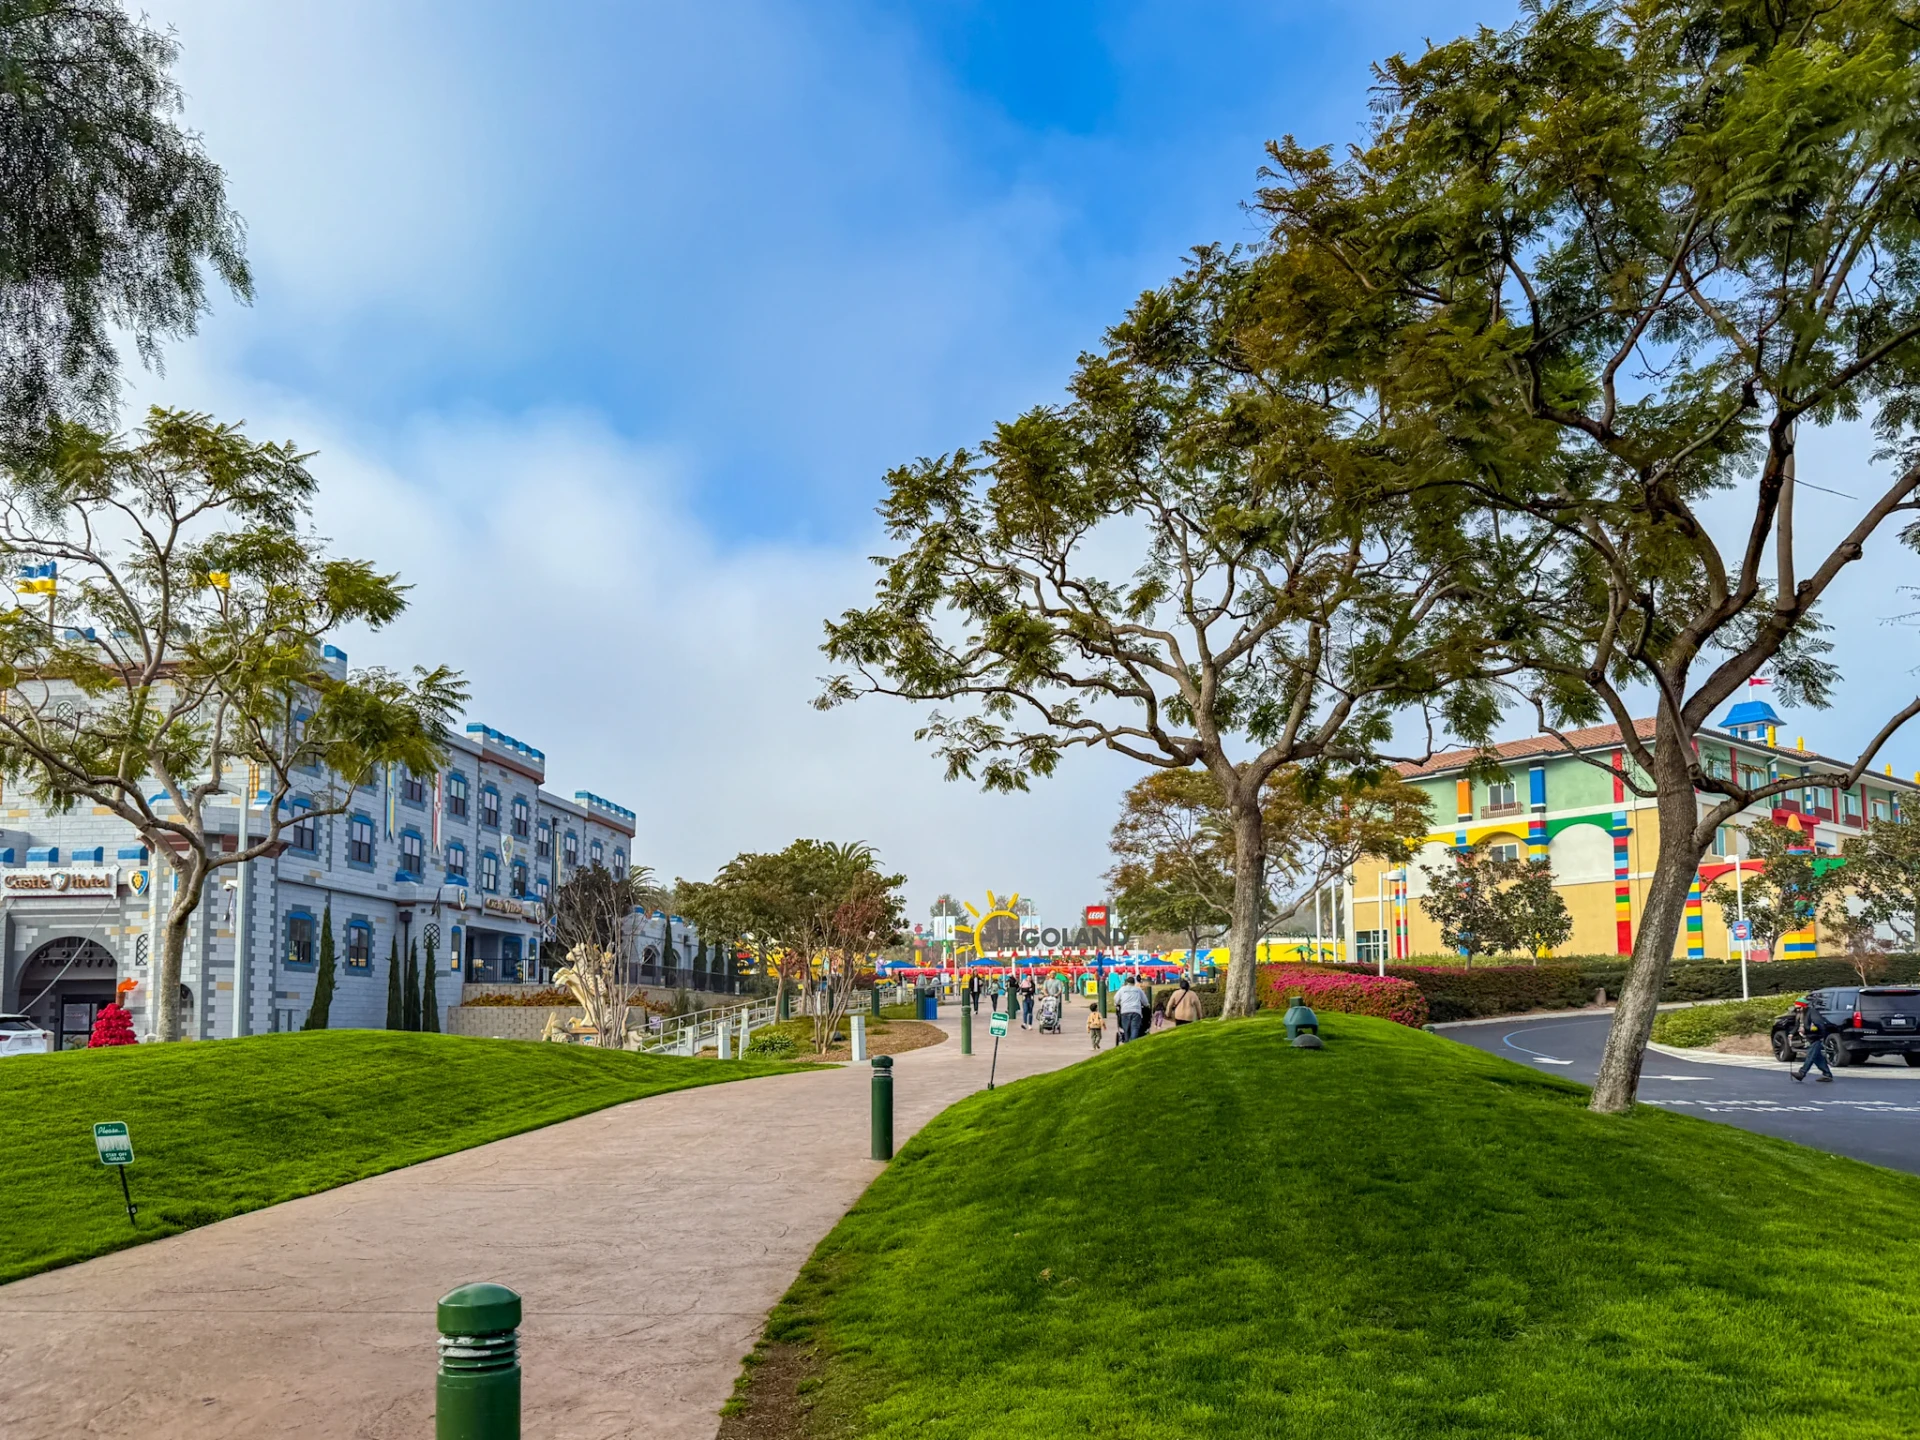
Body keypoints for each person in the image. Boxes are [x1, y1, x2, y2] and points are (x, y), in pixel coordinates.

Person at [1793, 997, 1836, 1083]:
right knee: (1817, 1057)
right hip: (1810, 1038)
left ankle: (1802, 1073)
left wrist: (1807, 1029)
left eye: (1798, 1008)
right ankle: (1827, 1074)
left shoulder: (1812, 1012)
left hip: (1816, 1037)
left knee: (1810, 1056)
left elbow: (1819, 1025)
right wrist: (1791, 1034)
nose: (1797, 1010)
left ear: (1803, 1006)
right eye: (1796, 1008)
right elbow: (1797, 1026)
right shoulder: (1801, 1014)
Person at [1115, 973, 1148, 1043]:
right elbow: (1145, 1001)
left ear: (1127, 982)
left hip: (1125, 1011)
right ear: (1134, 983)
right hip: (1136, 1011)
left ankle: (1127, 1041)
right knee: (1135, 1028)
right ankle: (1133, 1042)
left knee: (1126, 1028)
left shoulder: (1122, 989)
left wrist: (1116, 1004)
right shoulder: (1138, 990)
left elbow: (1116, 999)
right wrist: (1146, 1005)